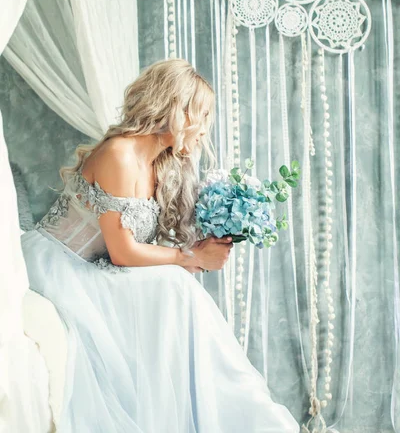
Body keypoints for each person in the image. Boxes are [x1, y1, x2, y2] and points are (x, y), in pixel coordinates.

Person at [21, 58, 300, 433]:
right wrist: (190, 258)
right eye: (200, 115)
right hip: (62, 264)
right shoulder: (119, 153)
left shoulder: (161, 164)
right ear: (174, 109)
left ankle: (230, 413)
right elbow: (123, 253)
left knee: (174, 289)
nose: (204, 129)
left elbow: (134, 251)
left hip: (99, 270)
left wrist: (211, 239)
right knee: (174, 285)